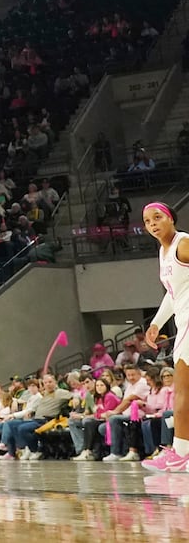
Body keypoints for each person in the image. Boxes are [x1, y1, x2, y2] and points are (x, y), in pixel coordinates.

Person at [142, 201, 189, 472]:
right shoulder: (164, 252)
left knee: (182, 390)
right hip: (182, 322)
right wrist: (157, 323)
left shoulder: (183, 243)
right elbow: (173, 294)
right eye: (148, 222)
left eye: (157, 217)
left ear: (171, 218)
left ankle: (181, 452)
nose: (152, 224)